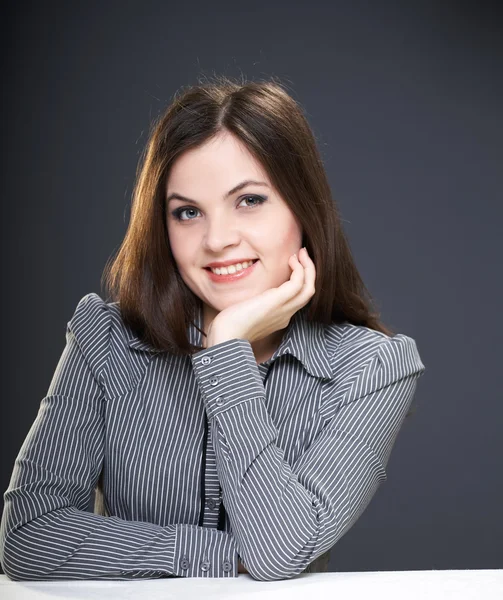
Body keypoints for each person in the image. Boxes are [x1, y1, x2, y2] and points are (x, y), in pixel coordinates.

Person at [0, 75, 426, 582]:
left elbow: (280, 552)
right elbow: (28, 536)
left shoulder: (373, 368)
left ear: (303, 207)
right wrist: (223, 555)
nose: (217, 239)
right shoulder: (107, 340)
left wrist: (227, 351)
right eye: (187, 212)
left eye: (249, 200)